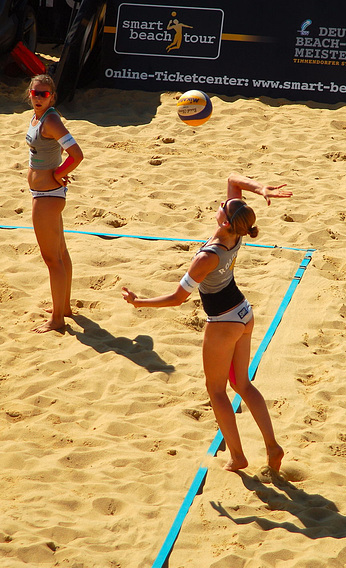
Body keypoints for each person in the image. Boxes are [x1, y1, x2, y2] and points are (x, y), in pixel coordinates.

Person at [122, 172, 293, 472]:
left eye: (223, 206)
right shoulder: (238, 229)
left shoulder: (207, 257)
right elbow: (232, 179)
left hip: (223, 322)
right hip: (244, 312)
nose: (220, 204)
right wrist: (260, 188)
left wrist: (139, 303)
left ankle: (238, 457)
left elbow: (177, 298)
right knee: (242, 384)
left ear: (225, 220)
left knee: (216, 390)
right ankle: (272, 446)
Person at [26, 74, 83, 333]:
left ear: (52, 96)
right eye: (35, 93)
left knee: (52, 259)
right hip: (46, 193)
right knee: (60, 253)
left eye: (44, 94)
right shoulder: (39, 118)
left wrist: (59, 173)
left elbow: (76, 154)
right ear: (29, 93)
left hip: (47, 195)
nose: (38, 97)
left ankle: (57, 319)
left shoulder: (50, 120)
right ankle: (65, 308)